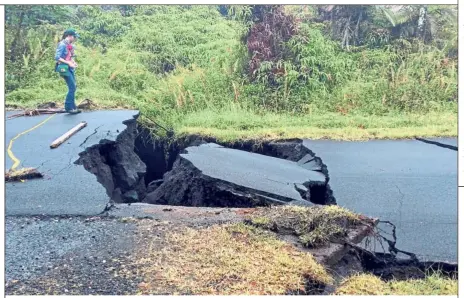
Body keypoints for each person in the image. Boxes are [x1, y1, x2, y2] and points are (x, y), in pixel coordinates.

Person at [55, 28, 81, 114]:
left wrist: (73, 62)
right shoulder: (62, 44)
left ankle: (73, 107)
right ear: (69, 36)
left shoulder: (70, 45)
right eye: (74, 37)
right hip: (63, 67)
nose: (75, 39)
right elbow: (57, 57)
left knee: (74, 86)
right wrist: (68, 63)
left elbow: (71, 56)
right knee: (72, 87)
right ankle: (68, 107)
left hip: (70, 67)